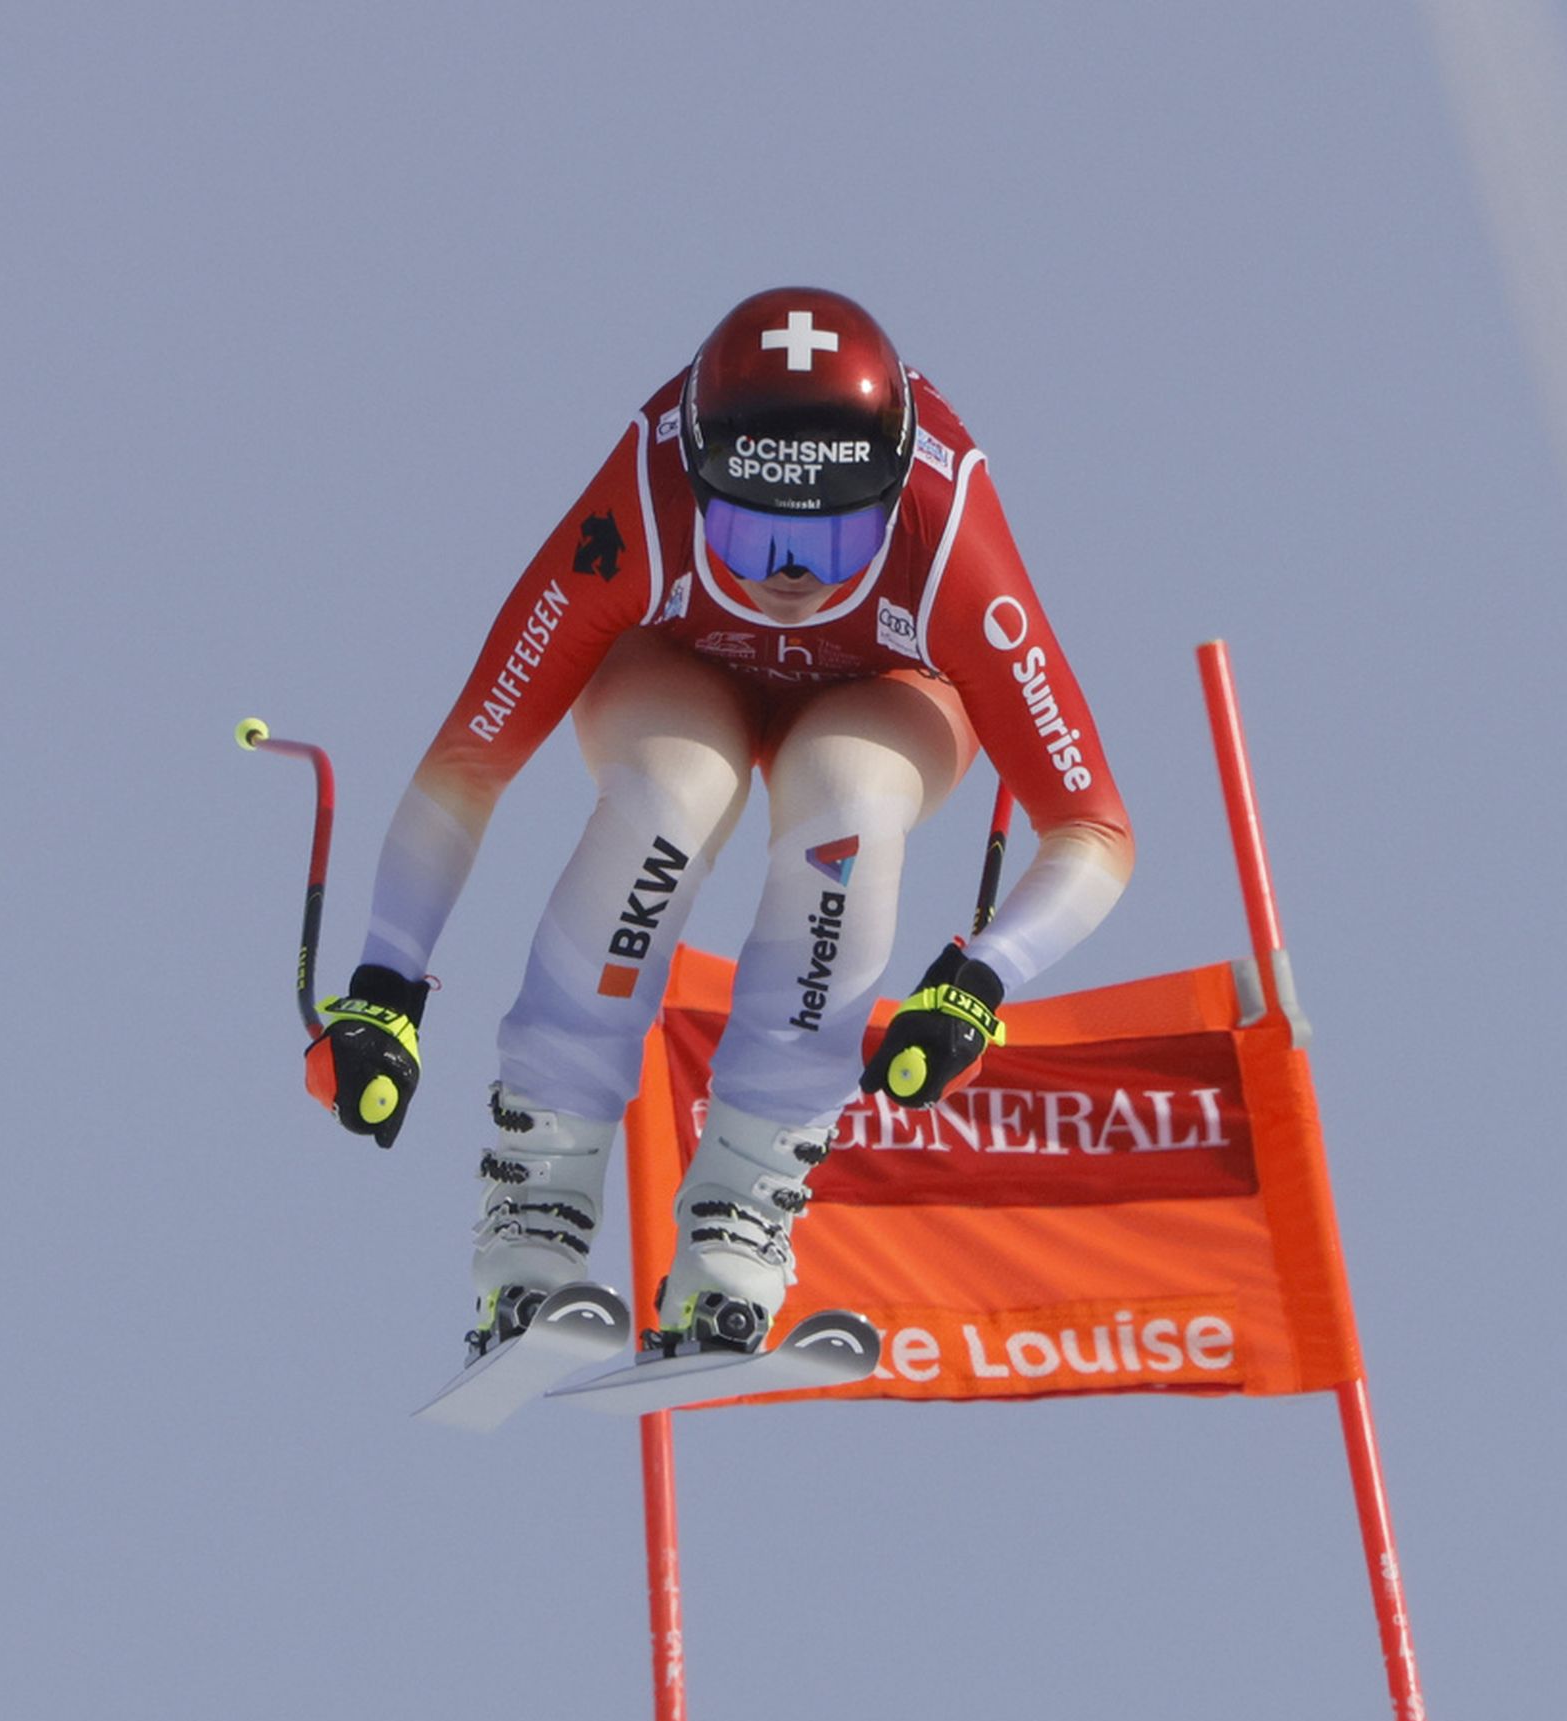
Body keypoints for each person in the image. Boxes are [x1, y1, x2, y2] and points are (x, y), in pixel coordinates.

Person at [314, 287, 1134, 1362]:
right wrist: (385, 983)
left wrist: (979, 980)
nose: (789, 579)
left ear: (890, 505)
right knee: (674, 793)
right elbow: (470, 759)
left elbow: (1092, 831)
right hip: (679, 672)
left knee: (848, 796)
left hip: (888, 688)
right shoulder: (640, 506)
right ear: (697, 488)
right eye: (748, 535)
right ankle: (535, 1205)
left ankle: (746, 1207)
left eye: (834, 545)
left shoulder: (947, 537)